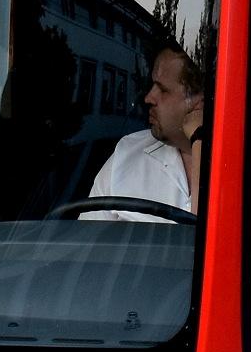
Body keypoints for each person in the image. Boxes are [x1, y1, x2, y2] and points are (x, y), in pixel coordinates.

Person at [85, 43, 203, 221]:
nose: (149, 98)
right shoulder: (127, 153)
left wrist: (199, 139)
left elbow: (207, 240)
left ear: (200, 102)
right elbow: (87, 242)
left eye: (162, 89)